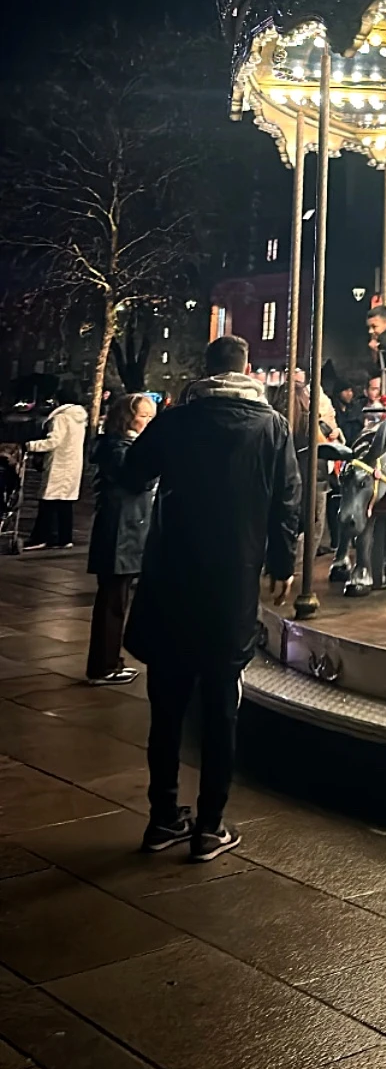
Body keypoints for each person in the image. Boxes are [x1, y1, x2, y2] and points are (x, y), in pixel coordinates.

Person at [121, 334, 300, 861]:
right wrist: (283, 565)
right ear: (246, 370)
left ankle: (161, 817)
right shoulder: (271, 427)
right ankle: (210, 824)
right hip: (231, 583)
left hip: (171, 579)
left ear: (207, 369)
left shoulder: (177, 420)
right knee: (222, 707)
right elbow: (286, 503)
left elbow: (133, 472)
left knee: (166, 709)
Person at [85, 393, 157, 685]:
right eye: (144, 416)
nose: (149, 422)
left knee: (117, 599)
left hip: (126, 532)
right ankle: (104, 666)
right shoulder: (119, 447)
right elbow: (137, 480)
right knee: (112, 602)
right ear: (128, 417)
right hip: (120, 534)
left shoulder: (122, 446)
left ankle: (110, 661)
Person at [25, 381, 88, 549]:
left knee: (48, 502)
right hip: (73, 464)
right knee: (65, 503)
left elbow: (54, 441)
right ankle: (64, 537)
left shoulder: (61, 417)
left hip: (59, 463)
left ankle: (41, 537)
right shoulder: (79, 418)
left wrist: (30, 445)